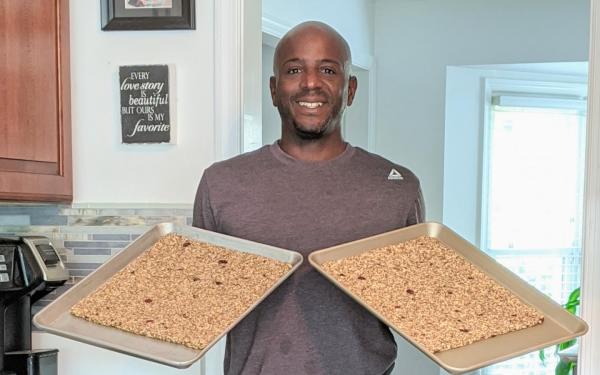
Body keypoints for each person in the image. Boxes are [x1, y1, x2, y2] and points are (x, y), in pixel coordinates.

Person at [193, 21, 424, 375]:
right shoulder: (221, 183)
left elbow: (418, 306)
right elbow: (199, 304)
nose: (311, 82)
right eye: (294, 69)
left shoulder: (397, 187)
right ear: (273, 89)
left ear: (350, 89)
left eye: (328, 70)